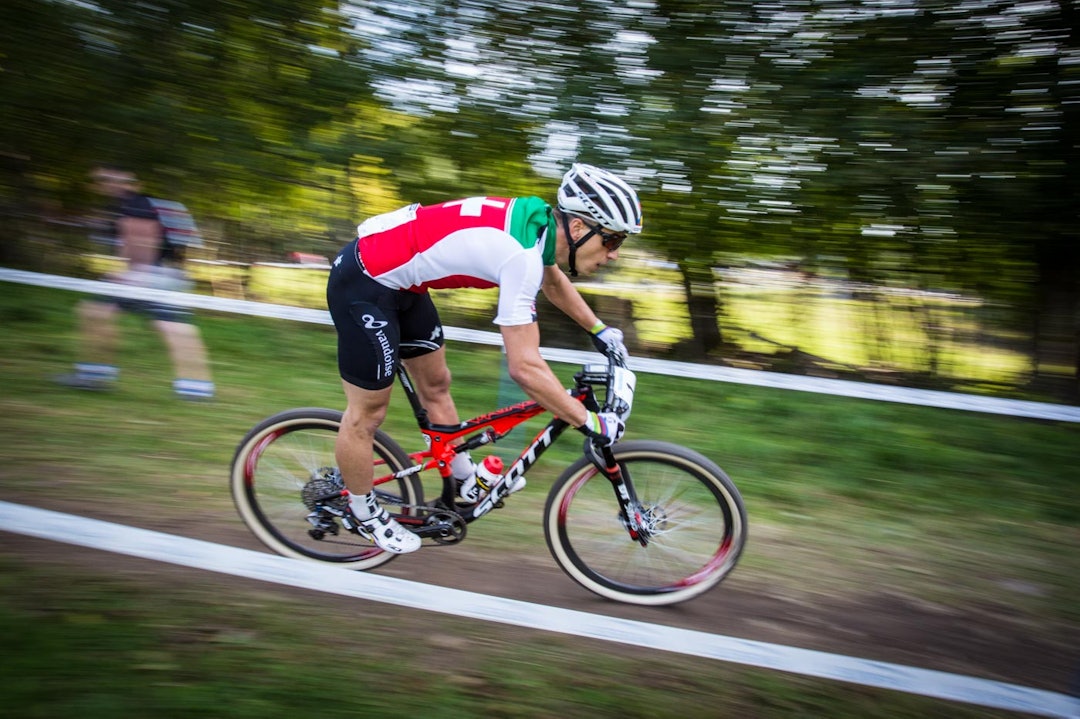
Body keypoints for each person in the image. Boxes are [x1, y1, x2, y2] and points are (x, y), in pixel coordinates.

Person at [326, 163, 642, 553]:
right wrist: (591, 422)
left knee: (437, 385)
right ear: (579, 229)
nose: (613, 254)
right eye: (611, 241)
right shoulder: (520, 255)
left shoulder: (540, 226)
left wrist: (601, 331)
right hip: (364, 284)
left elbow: (552, 278)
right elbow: (524, 367)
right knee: (368, 413)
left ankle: (461, 478)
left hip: (404, 284)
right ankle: (363, 511)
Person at [56, 166, 215, 399]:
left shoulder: (133, 204)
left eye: (111, 179)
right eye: (103, 180)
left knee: (96, 310)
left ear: (132, 183)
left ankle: (94, 377)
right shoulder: (145, 203)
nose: (107, 184)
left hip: (148, 274)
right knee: (172, 327)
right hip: (169, 274)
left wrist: (134, 273)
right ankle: (197, 388)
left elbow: (142, 237)